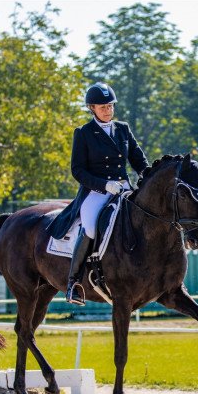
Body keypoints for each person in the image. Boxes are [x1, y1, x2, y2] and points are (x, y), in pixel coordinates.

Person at [47, 82, 149, 305]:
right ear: (92, 108)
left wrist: (148, 177)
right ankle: (73, 282)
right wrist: (104, 185)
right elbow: (78, 170)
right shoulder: (84, 133)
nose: (108, 110)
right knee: (91, 225)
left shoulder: (123, 129)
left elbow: (138, 159)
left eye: (110, 106)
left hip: (123, 188)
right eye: (102, 107)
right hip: (96, 191)